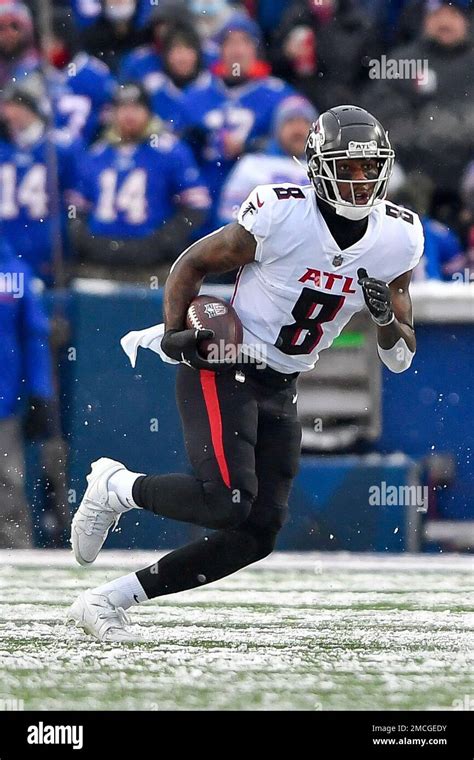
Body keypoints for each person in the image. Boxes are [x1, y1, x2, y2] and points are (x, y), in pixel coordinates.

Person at [68, 106, 424, 641]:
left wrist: (384, 321)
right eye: (345, 167)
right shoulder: (282, 214)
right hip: (225, 361)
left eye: (368, 167)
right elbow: (191, 263)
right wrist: (171, 333)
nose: (359, 180)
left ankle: (110, 599)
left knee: (258, 532)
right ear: (318, 166)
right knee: (227, 498)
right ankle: (116, 487)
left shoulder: (398, 238)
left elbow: (401, 357)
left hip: (283, 380)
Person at [70, 82, 210, 281]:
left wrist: (160, 243)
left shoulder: (170, 152)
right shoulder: (96, 154)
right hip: (99, 266)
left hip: (153, 269)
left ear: (149, 112)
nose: (129, 115)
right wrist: (90, 243)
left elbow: (196, 207)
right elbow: (76, 211)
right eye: (123, 107)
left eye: (136, 107)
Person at [0, 240, 54, 548]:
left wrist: (40, 392)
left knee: (7, 483)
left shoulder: (14, 274)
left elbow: (35, 338)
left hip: (4, 402)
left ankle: (15, 555)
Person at [0, 88, 80, 287]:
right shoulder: (6, 148)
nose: (9, 114)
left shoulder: (59, 147)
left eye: (14, 107)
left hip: (44, 243)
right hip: (9, 241)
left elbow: (75, 196)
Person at [219, 95, 317, 225]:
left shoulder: (323, 168)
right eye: (291, 121)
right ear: (277, 128)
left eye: (305, 122)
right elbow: (230, 217)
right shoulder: (253, 164)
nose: (298, 129)